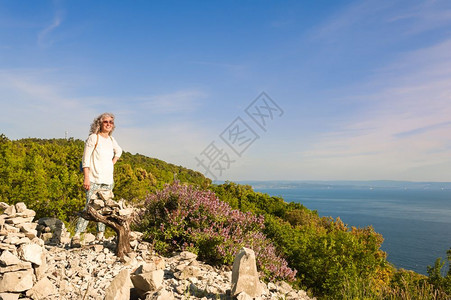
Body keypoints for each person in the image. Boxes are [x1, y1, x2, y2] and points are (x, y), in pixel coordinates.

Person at [72, 112, 122, 246]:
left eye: (111, 122)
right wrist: (86, 178)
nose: (108, 124)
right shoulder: (94, 138)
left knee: (105, 209)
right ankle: (77, 236)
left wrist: (113, 162)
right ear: (99, 123)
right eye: (105, 122)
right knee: (89, 208)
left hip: (108, 181)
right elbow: (85, 159)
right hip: (93, 179)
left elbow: (119, 151)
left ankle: (100, 236)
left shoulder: (112, 140)